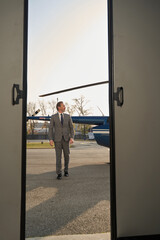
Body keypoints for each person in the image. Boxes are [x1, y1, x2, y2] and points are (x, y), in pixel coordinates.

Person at [49, 101, 74, 180]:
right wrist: (50, 139)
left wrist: (72, 137)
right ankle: (59, 173)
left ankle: (66, 171)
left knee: (67, 156)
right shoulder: (53, 117)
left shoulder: (68, 116)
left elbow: (71, 128)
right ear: (59, 107)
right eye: (63, 106)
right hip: (57, 140)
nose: (64, 107)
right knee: (58, 157)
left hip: (66, 139)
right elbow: (50, 129)